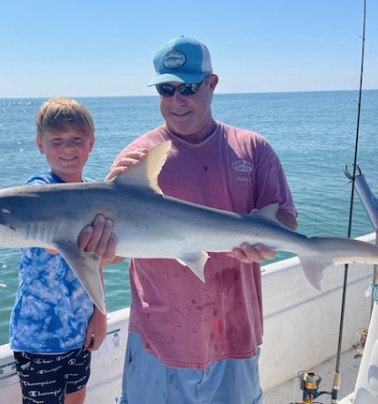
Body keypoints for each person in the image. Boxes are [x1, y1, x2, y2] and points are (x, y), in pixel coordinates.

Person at [85, 36, 298, 403]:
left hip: (236, 331)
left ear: (212, 83)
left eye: (188, 88)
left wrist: (267, 242)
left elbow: (286, 221)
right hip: (157, 339)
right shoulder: (136, 159)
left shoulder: (253, 149)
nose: (176, 100)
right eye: (166, 89)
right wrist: (100, 234)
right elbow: (112, 254)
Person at [11, 97, 107, 404]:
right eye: (57, 141)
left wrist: (100, 315)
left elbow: (95, 264)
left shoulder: (96, 194)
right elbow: (54, 243)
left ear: (91, 144)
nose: (68, 149)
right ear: (40, 145)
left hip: (80, 331)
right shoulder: (36, 190)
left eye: (77, 140)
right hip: (38, 339)